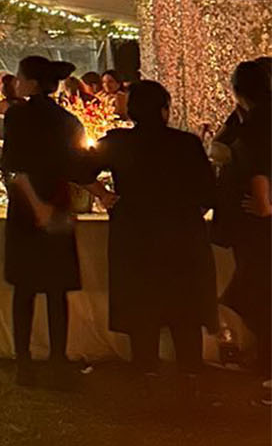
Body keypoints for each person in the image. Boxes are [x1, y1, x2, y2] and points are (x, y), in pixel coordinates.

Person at [84, 80, 216, 376]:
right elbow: (209, 191)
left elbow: (77, 166)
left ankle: (145, 368)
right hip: (181, 236)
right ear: (164, 110)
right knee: (185, 308)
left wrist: (103, 194)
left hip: (135, 234)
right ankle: (190, 369)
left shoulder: (117, 143)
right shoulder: (186, 143)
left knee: (141, 307)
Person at [2, 55, 87, 387]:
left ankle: (24, 362)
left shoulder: (17, 117)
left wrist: (36, 205)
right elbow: (75, 166)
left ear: (32, 83)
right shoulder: (67, 120)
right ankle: (58, 360)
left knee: (24, 289)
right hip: (59, 204)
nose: (17, 82)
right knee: (56, 290)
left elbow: (13, 166)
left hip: (26, 208)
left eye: (20, 77)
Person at [216, 58, 271, 384]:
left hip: (256, 224)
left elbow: (259, 165)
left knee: (251, 294)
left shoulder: (255, 125)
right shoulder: (247, 119)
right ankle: (264, 361)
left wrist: (264, 202)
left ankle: (266, 364)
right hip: (255, 224)